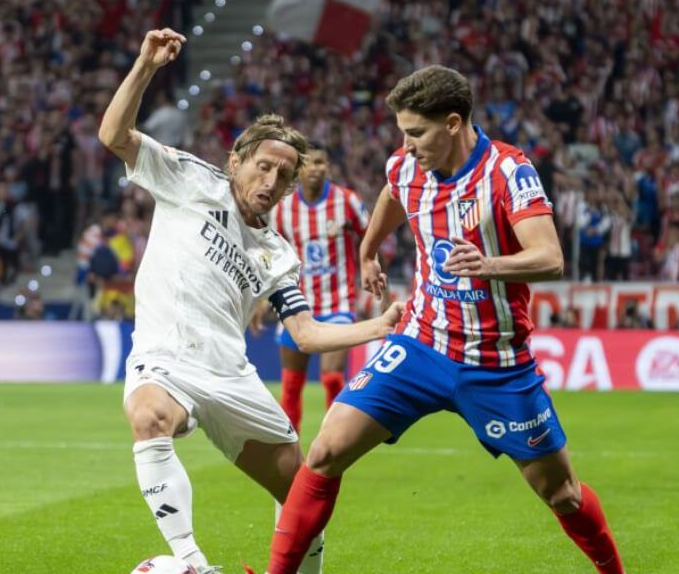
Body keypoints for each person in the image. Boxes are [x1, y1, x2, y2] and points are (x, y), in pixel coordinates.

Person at [262, 66, 624, 573]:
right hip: (421, 344)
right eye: (402, 133)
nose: (406, 146)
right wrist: (369, 250)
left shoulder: (507, 172)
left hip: (496, 362)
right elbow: (394, 189)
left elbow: (550, 257)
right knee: (325, 450)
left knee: (561, 493)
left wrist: (489, 263)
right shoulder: (407, 167)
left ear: (453, 123)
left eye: (415, 133)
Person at [97, 29, 403, 574]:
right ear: (236, 159)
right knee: (149, 417)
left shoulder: (278, 254)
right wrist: (146, 65)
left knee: (307, 492)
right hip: (166, 358)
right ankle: (192, 563)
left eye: (283, 175)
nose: (271, 179)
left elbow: (306, 333)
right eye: (263, 165)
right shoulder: (190, 179)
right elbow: (114, 134)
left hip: (231, 377)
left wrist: (379, 327)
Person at [264, 142, 370, 432]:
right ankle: (290, 450)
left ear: (328, 167)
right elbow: (269, 252)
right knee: (291, 385)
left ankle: (334, 444)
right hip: (296, 306)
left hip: (339, 303)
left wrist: (371, 269)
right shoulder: (283, 209)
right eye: (309, 163)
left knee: (332, 377)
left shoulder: (347, 201)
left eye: (321, 162)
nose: (315, 169)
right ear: (299, 169)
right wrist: (261, 298)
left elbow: (371, 237)